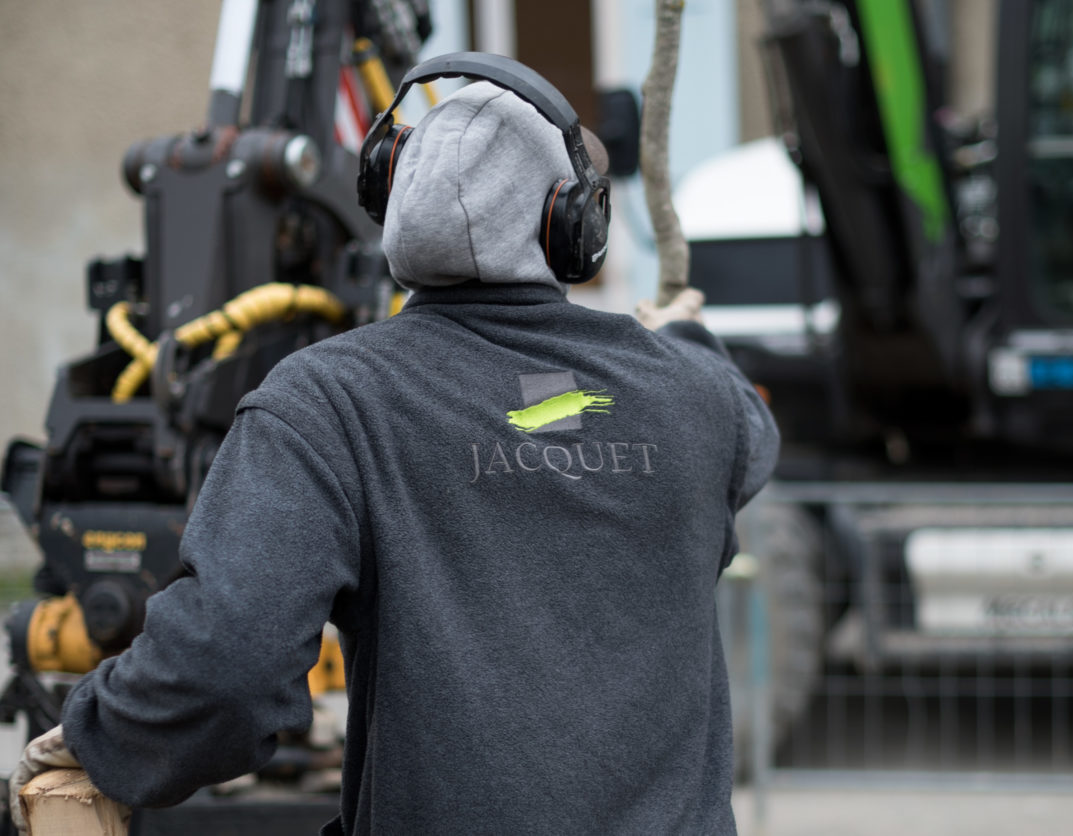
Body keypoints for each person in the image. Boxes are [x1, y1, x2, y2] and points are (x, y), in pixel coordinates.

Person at [10, 71, 779, 835]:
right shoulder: (694, 394)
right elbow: (748, 427)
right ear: (572, 223)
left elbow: (227, 665)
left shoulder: (331, 400)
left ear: (390, 200)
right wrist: (679, 337)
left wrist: (102, 737)